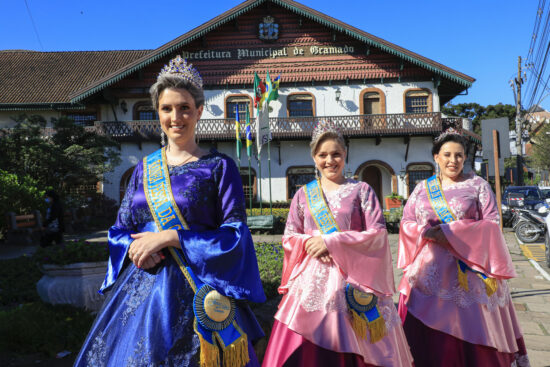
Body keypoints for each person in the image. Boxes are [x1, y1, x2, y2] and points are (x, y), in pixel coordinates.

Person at [74, 55, 266, 367]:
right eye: (167, 108)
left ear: (199, 111)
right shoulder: (143, 170)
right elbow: (120, 228)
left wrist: (171, 237)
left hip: (198, 290)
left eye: (184, 108)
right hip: (143, 291)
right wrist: (137, 248)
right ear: (158, 112)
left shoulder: (219, 167)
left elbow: (236, 235)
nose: (176, 116)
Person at [261, 121, 413, 367]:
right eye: (322, 155)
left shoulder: (361, 190)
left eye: (336, 154)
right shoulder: (303, 194)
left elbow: (377, 234)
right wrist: (311, 242)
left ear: (345, 155)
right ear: (314, 157)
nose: (329, 160)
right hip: (310, 282)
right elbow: (290, 235)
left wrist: (331, 242)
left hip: (353, 280)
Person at [397, 129, 530, 366]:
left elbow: (492, 224)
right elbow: (407, 222)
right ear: (436, 157)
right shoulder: (421, 188)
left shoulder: (477, 185)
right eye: (447, 154)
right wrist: (426, 232)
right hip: (429, 271)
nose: (453, 160)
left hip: (469, 269)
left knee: (472, 329)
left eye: (459, 155)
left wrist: (450, 234)